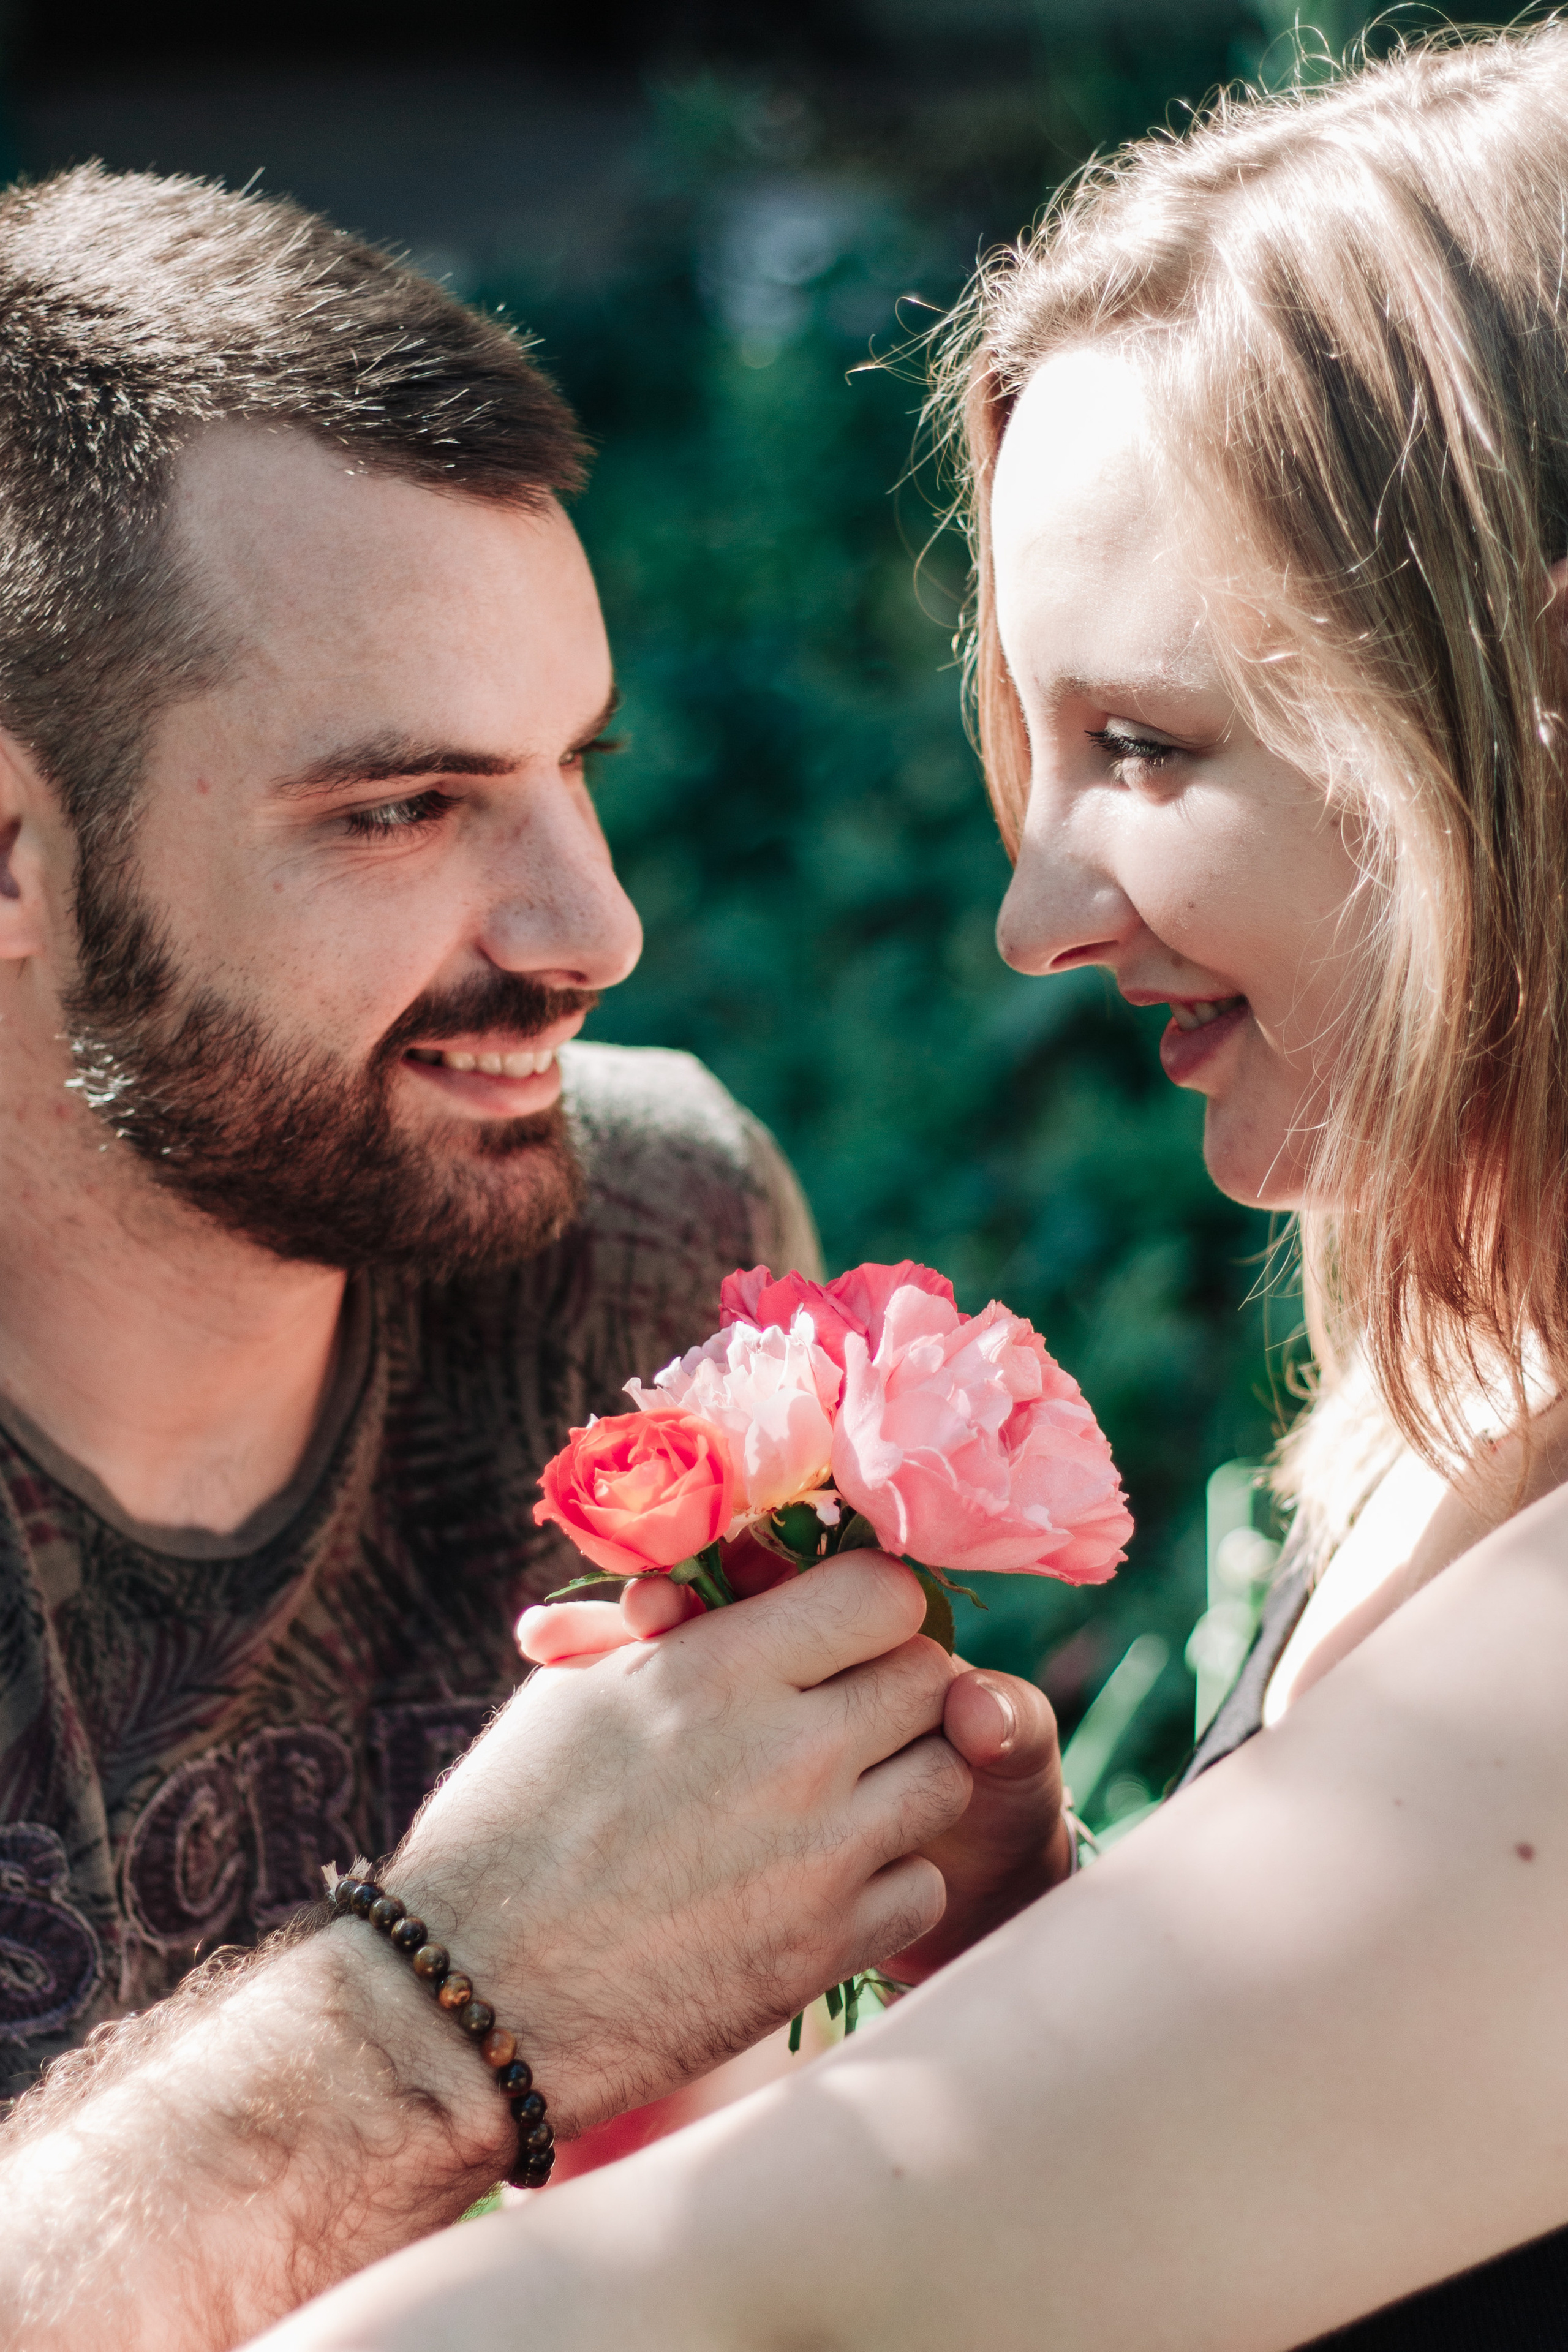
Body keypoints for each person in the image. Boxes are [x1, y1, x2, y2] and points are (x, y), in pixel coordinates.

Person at [251, 21, 1568, 2351]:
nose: (1032, 913)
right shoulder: (1469, 1389)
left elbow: (737, 2319)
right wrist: (1035, 1958)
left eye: (1150, 747)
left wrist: (444, 1999)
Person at [0, 166, 1072, 2350]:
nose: (593, 932)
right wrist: (447, 2009)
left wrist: (986, 1964)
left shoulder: (655, 1236)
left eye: (574, 769)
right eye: (401, 810)